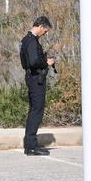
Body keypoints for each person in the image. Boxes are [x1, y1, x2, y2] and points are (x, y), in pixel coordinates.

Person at [20, 16, 55, 156]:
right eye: (45, 31)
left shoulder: (26, 40)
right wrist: (46, 63)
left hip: (32, 78)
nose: (44, 34)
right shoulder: (32, 41)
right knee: (36, 111)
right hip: (36, 79)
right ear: (40, 26)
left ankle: (30, 145)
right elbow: (34, 62)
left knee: (34, 110)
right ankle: (31, 146)